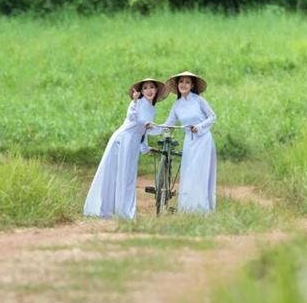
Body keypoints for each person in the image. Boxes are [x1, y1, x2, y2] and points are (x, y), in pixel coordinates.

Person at [83, 78, 169, 219]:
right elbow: (133, 118)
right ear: (141, 92)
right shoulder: (137, 103)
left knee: (128, 176)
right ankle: (112, 210)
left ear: (156, 90)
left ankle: (124, 211)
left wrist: (145, 147)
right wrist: (134, 101)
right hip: (123, 139)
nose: (149, 90)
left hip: (133, 142)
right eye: (145, 88)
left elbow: (144, 131)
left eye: (152, 87)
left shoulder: (152, 108)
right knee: (116, 174)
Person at [163, 71, 216, 212]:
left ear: (192, 85)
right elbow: (169, 124)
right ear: (177, 85)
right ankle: (187, 207)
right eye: (181, 82)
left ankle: (201, 207)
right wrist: (151, 128)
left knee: (200, 171)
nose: (184, 85)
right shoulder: (177, 105)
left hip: (203, 140)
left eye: (187, 82)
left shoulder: (199, 100)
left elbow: (212, 117)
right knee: (188, 172)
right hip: (189, 142)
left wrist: (199, 127)